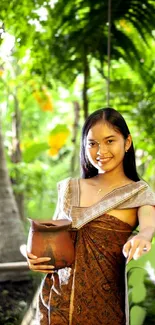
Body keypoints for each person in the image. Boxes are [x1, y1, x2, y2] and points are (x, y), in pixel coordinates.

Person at [27, 107, 155, 325]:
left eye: (109, 141)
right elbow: (52, 237)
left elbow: (148, 227)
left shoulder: (139, 193)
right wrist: (34, 258)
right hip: (55, 302)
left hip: (105, 307)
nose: (100, 151)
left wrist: (143, 237)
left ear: (127, 142)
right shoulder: (69, 188)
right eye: (92, 143)